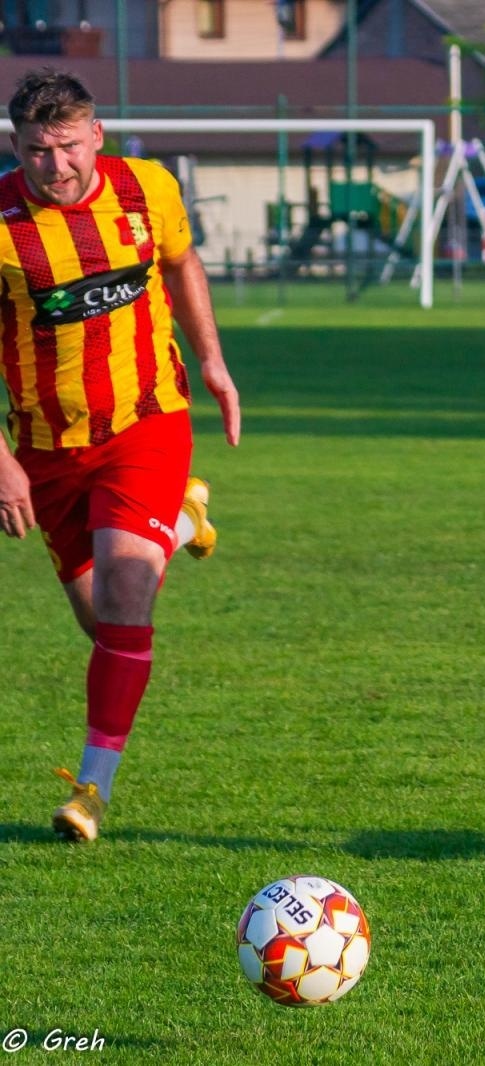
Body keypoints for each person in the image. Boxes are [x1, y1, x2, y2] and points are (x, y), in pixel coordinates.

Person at [0, 69, 241, 842]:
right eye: (38, 151)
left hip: (147, 421)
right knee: (102, 621)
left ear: (96, 135)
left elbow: (182, 263)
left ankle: (91, 791)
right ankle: (182, 520)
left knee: (127, 603)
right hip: (44, 450)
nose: (57, 165)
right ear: (18, 146)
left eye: (69, 146)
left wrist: (212, 362)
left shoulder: (148, 190)